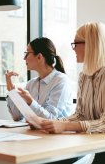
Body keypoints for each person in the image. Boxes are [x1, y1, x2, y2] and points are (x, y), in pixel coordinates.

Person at [31, 22, 105, 164]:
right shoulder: (84, 76)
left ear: (90, 44)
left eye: (76, 43)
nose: (73, 49)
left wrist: (64, 126)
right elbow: (80, 114)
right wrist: (50, 123)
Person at [6, 37, 74, 121]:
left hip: (56, 134)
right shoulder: (31, 84)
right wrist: (11, 91)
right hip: (35, 133)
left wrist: (31, 102)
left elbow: (51, 119)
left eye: (27, 53)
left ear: (39, 57)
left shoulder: (61, 81)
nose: (24, 58)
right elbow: (17, 117)